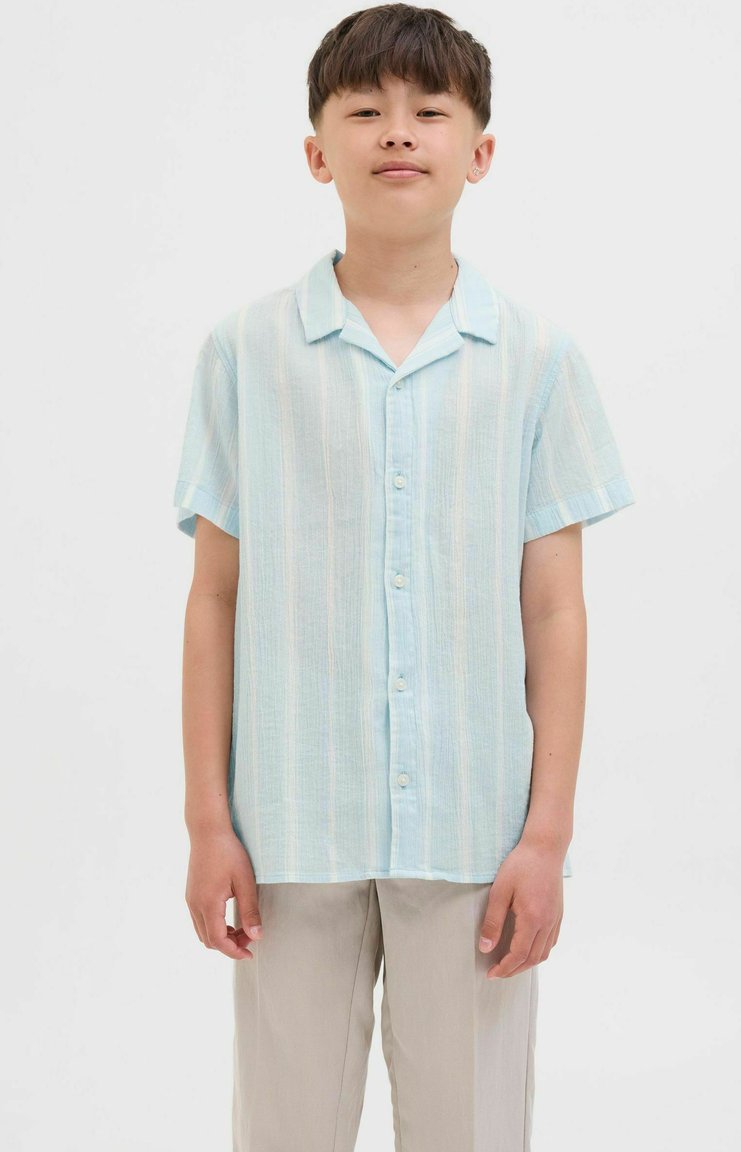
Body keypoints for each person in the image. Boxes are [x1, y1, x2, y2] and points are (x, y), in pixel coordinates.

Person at [173, 5, 636, 1149]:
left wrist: (544, 837)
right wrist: (206, 822)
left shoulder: (536, 360)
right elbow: (214, 597)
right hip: (289, 830)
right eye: (363, 110)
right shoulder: (243, 355)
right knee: (282, 1130)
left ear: (479, 152)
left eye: (428, 111)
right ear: (314, 151)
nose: (395, 132)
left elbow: (555, 610)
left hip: (474, 834)